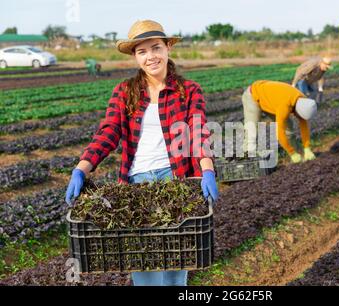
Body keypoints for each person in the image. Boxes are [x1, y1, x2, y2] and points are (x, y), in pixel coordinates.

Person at [65, 19, 219, 286]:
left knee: (176, 262)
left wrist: (207, 169)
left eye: (156, 47)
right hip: (137, 184)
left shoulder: (188, 90)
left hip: (177, 181)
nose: (151, 56)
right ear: (135, 57)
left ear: (168, 47)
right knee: (144, 262)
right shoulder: (125, 91)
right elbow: (108, 132)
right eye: (142, 51)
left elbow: (198, 132)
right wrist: (82, 168)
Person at [242, 80, 318, 163]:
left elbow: (304, 124)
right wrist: (292, 153)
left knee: (288, 130)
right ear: (296, 111)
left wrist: (307, 148)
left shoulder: (303, 102)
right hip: (253, 95)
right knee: (252, 127)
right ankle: (247, 157)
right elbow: (280, 133)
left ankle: (301, 155)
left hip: (271, 100)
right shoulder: (284, 107)